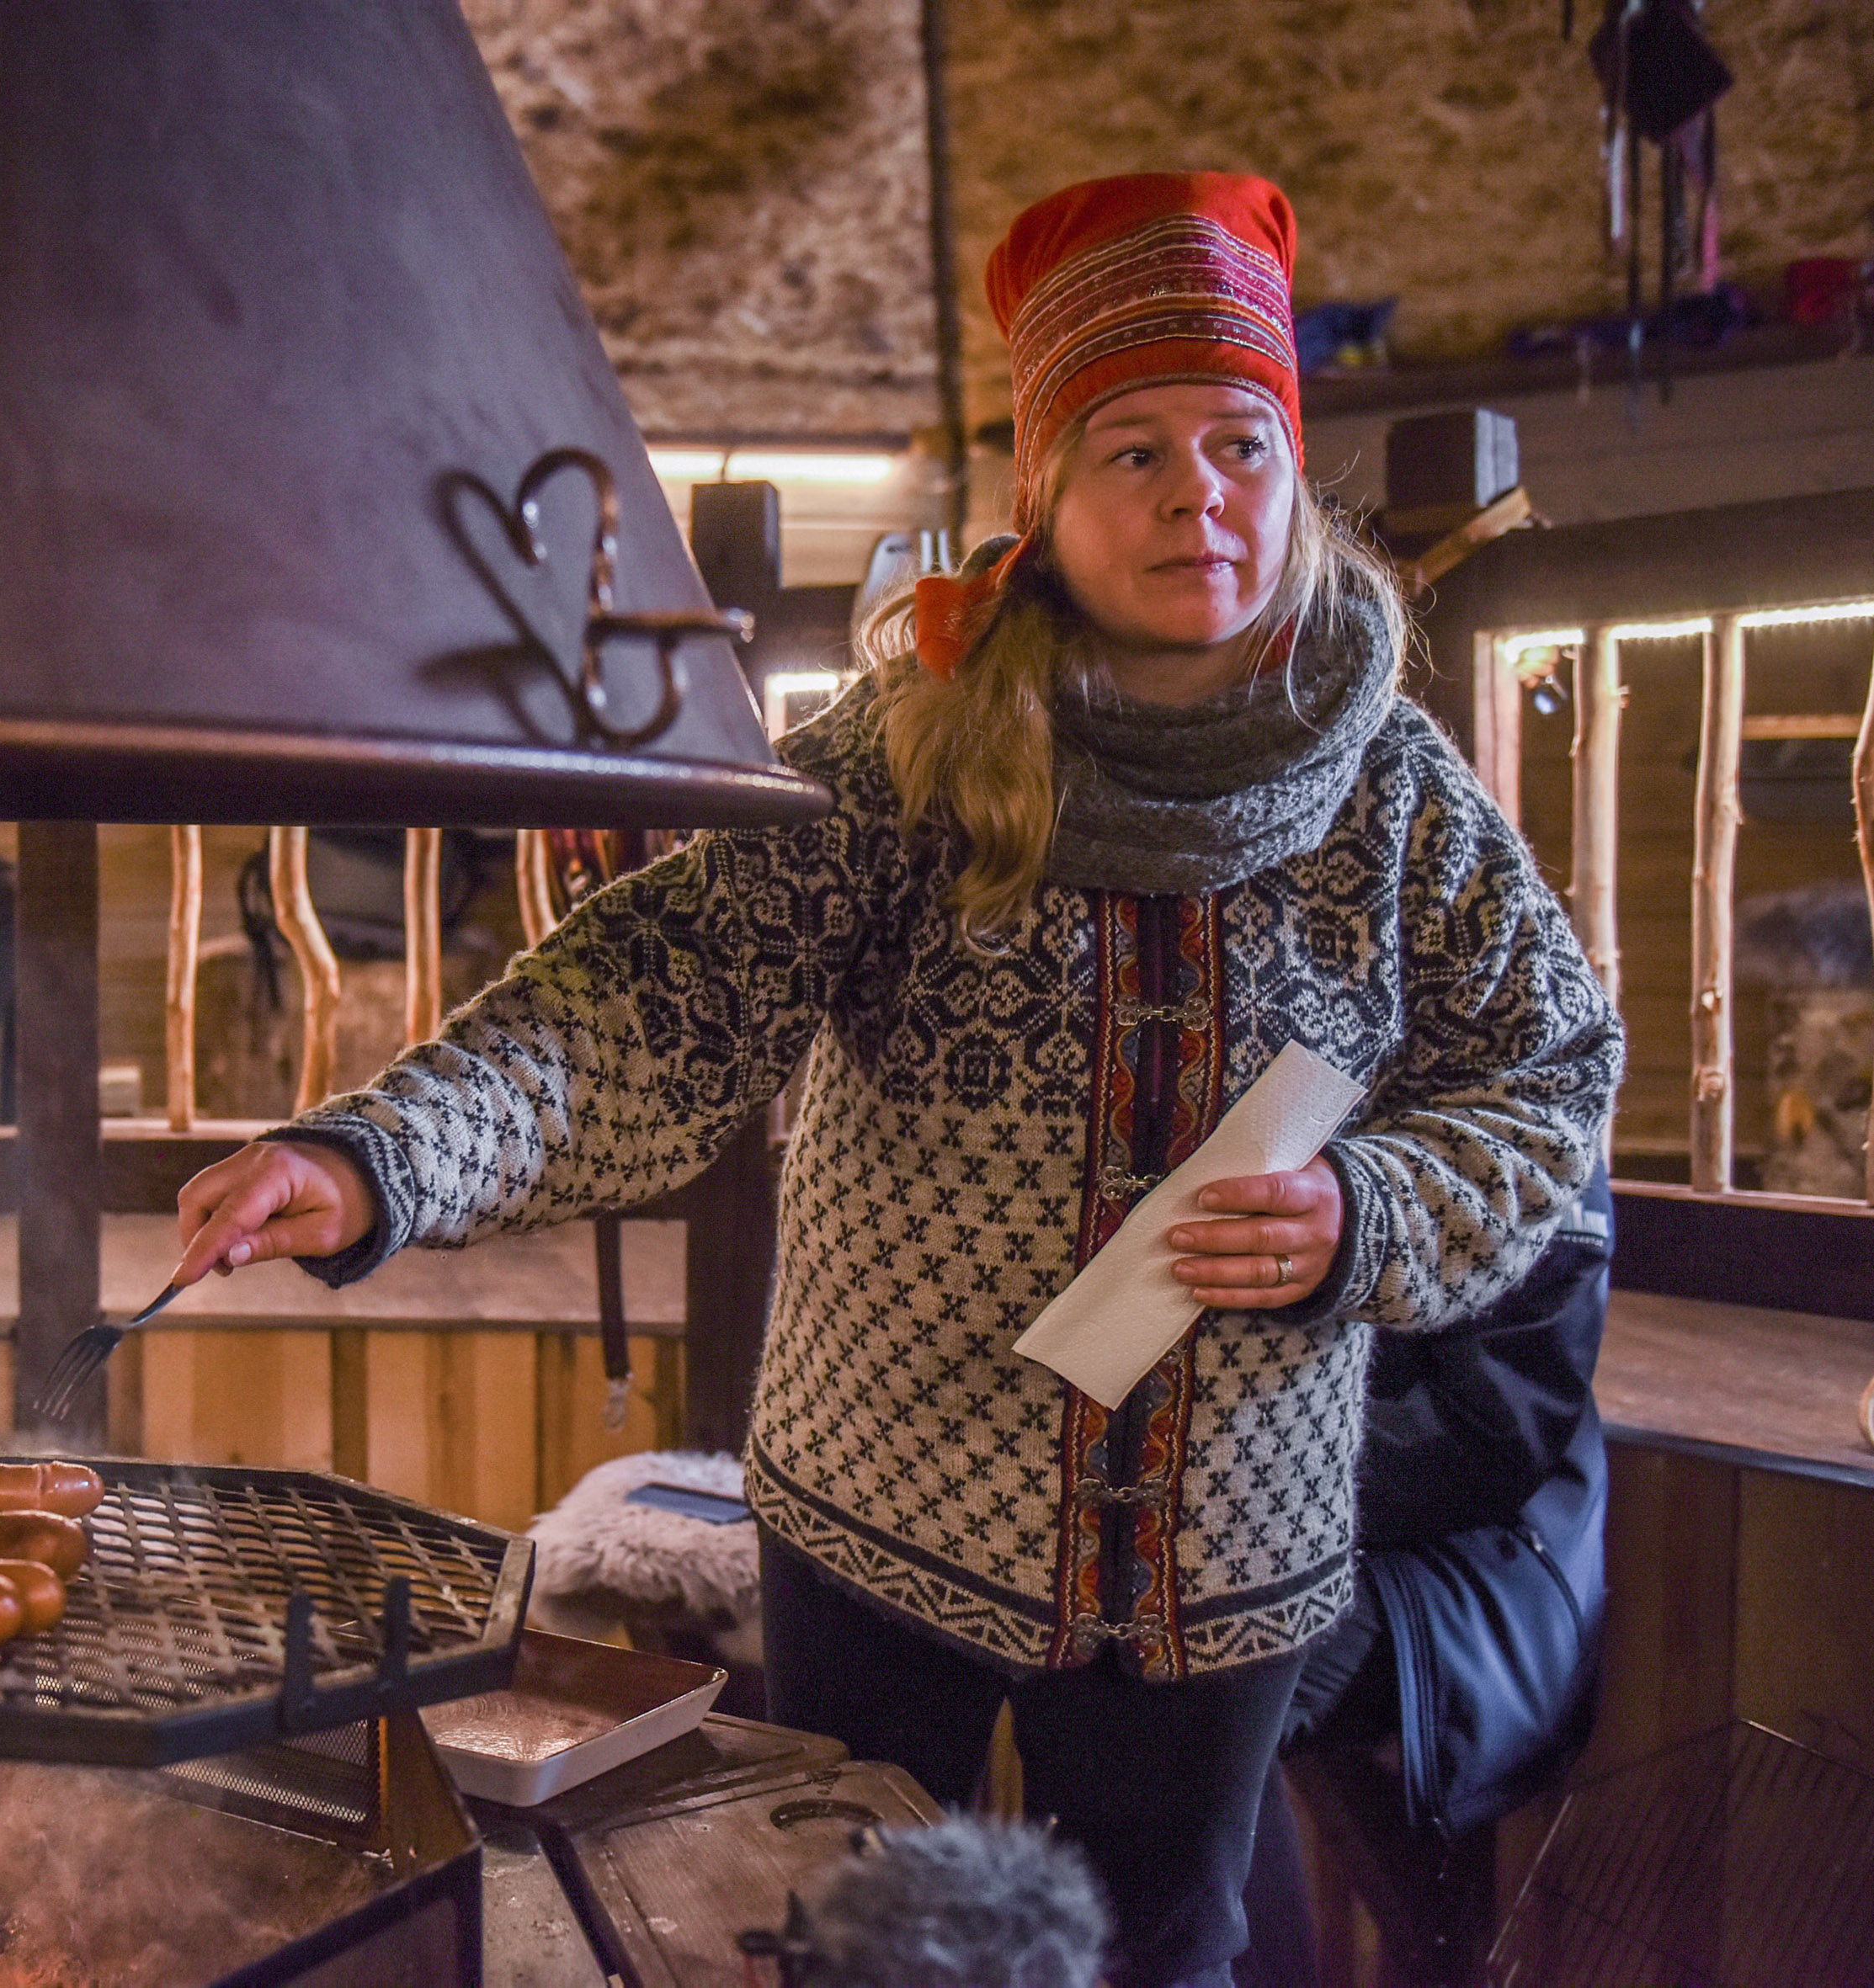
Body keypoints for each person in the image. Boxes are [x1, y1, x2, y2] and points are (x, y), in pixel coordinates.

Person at [170, 171, 1622, 1988]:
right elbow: (646, 1003)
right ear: (1042, 495)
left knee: (1160, 1951)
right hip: (886, 1511)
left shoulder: (1397, 797)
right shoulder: (904, 763)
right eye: (1132, 448)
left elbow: (1549, 1077)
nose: (1198, 491)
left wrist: (1372, 1211)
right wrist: (377, 1156)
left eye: (1242, 443)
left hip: (1224, 1559)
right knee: (850, 1946)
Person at [1232, 1164, 1614, 1988]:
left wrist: (1226, 1477)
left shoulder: (1531, 1097)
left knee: (1211, 1684)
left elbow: (1494, 1432)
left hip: (1481, 1559)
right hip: (1289, 1518)